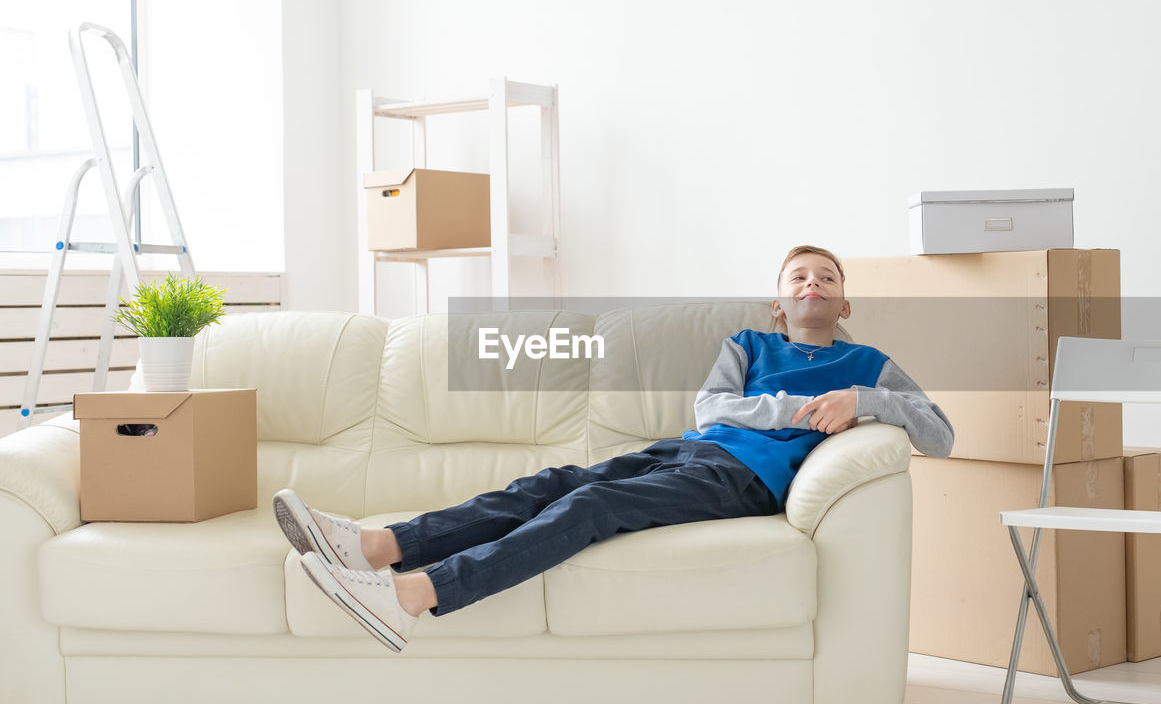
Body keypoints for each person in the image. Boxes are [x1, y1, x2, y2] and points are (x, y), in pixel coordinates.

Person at [273, 244, 953, 652]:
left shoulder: (866, 361)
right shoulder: (748, 345)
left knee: (594, 504)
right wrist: (804, 409)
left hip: (747, 477)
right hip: (693, 450)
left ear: (845, 303)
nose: (813, 285)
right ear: (778, 302)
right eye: (799, 277)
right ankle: (373, 547)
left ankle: (414, 595)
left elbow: (940, 432)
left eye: (827, 278)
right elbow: (711, 408)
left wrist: (863, 400)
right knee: (548, 483)